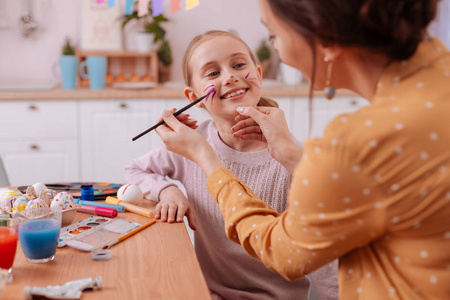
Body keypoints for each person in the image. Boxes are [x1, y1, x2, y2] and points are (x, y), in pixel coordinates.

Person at [154, 1, 450, 299]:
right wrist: (291, 155)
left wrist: (206, 159)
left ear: (322, 34)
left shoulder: (360, 144)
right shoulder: (440, 79)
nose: (278, 51)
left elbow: (284, 252)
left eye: (274, 35)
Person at [125, 30, 338, 300]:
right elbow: (135, 170)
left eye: (238, 65)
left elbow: (327, 264)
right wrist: (168, 190)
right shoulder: (192, 142)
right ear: (193, 96)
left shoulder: (294, 161)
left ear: (258, 74)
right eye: (212, 73)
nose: (230, 76)